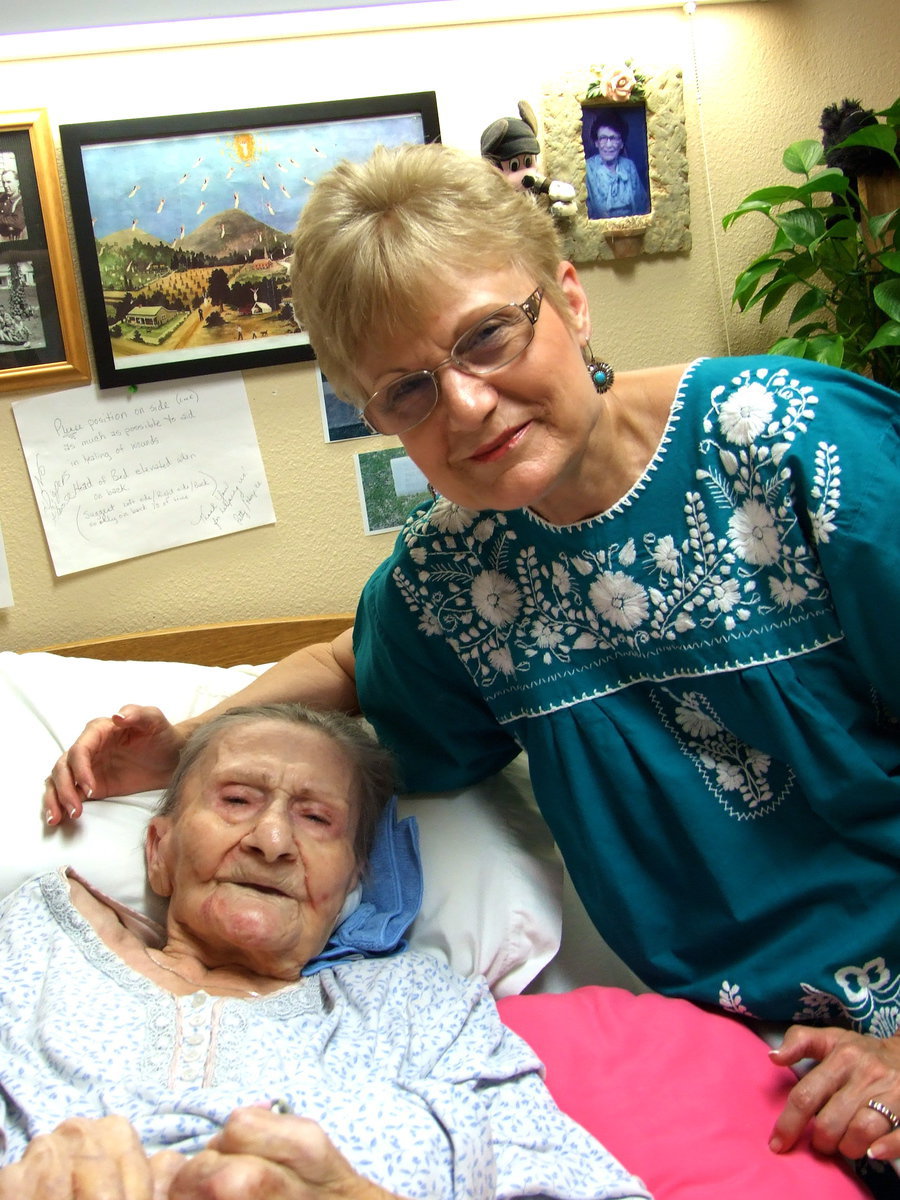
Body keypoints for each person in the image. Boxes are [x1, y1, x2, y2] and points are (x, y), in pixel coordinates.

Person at [44, 142, 900, 1181]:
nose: (467, 405)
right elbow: (354, 659)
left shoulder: (795, 447)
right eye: (406, 393)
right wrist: (187, 744)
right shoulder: (458, 572)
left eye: (488, 336)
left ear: (570, 299)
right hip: (756, 1063)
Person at [8, 702, 650, 1200]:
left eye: (317, 819)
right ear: (159, 850)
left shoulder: (424, 1009)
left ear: (351, 880)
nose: (272, 840)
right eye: (236, 800)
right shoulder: (38, 940)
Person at [583, 110, 649, 219]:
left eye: (613, 138)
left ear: (621, 143)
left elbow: (642, 206)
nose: (608, 145)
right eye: (603, 138)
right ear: (596, 143)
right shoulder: (588, 169)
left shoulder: (629, 166)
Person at [0, 167, 25, 241]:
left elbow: (17, 221)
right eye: (3, 182)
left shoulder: (22, 200)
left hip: (13, 240)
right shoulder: (2, 197)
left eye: (8, 182)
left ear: (17, 182)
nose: (5, 186)